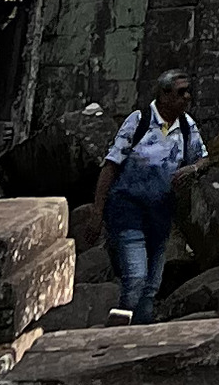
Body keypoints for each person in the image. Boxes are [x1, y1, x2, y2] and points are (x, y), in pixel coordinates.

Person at [87, 69, 206, 322]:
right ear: (164, 95)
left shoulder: (186, 125)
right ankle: (117, 332)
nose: (187, 97)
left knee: (152, 286)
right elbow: (111, 166)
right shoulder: (139, 120)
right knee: (136, 277)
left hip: (161, 212)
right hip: (127, 209)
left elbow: (204, 157)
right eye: (181, 92)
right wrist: (97, 212)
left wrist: (192, 168)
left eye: (189, 91)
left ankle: (141, 336)